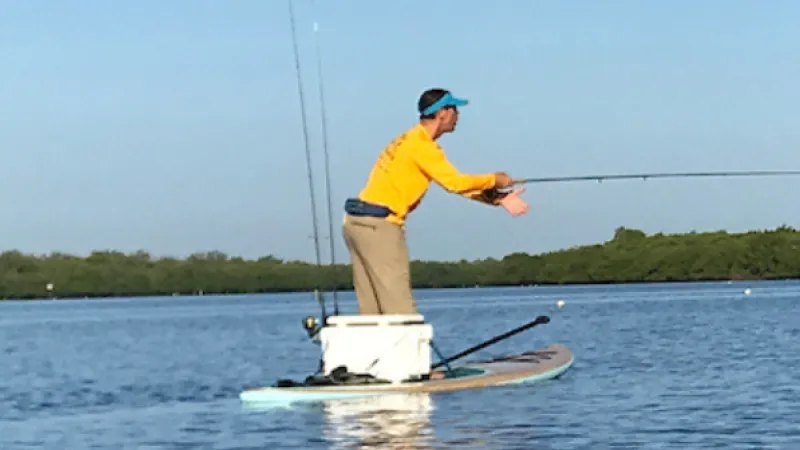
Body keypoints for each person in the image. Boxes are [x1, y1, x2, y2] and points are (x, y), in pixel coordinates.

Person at [342, 88, 529, 316]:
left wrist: (497, 197)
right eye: (455, 109)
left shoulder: (409, 140)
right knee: (400, 309)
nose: (458, 115)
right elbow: (455, 183)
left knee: (372, 310)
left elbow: (453, 184)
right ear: (442, 113)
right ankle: (408, 340)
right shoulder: (422, 146)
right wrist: (495, 179)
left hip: (356, 223)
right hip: (379, 225)